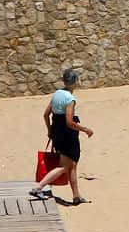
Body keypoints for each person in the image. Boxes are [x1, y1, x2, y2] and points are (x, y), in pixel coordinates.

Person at [35, 69, 92, 205]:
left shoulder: (57, 94)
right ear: (74, 83)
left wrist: (50, 131)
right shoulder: (70, 99)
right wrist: (85, 129)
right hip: (67, 135)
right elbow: (69, 122)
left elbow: (46, 114)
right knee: (65, 166)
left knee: (72, 165)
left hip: (57, 132)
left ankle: (76, 196)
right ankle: (39, 187)